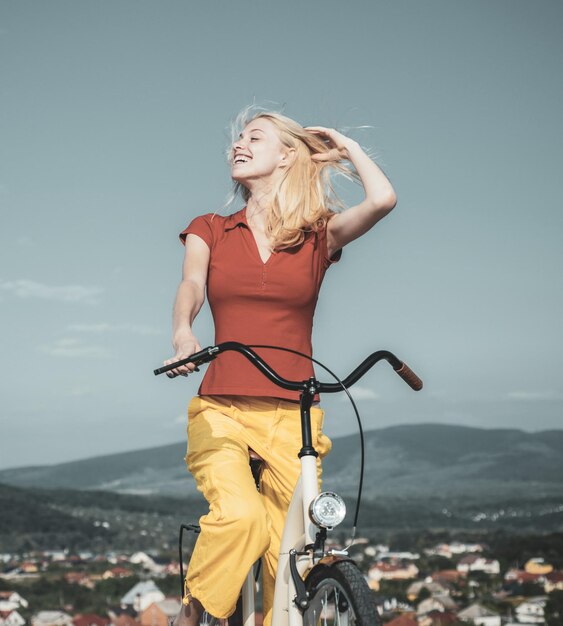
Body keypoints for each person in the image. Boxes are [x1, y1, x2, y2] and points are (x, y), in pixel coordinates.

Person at [164, 108, 397, 626]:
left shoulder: (318, 237)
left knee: (291, 552)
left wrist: (343, 145)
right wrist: (183, 331)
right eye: (236, 140)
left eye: (254, 137)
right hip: (221, 406)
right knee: (239, 518)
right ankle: (192, 612)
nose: (238, 146)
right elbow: (192, 286)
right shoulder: (212, 228)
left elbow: (383, 199)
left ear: (287, 154)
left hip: (295, 413)